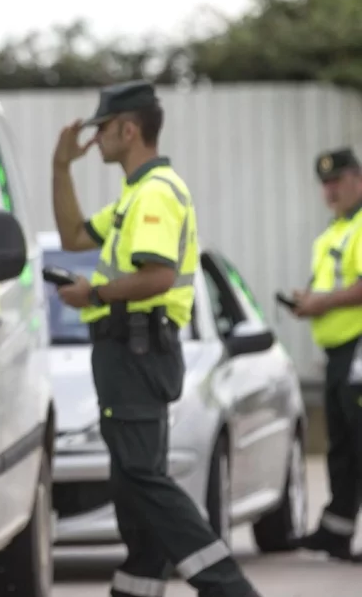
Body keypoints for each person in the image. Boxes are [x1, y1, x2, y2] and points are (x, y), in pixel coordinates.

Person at [51, 80, 261, 597]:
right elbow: (73, 236)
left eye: (103, 129)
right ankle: (137, 587)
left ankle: (228, 586)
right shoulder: (135, 194)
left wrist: (93, 294)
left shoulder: (155, 195)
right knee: (131, 483)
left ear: (130, 128)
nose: (95, 139)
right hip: (132, 351)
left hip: (138, 348)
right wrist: (61, 168)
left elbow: (157, 276)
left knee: (142, 478)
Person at [287, 148, 362, 562]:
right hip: (338, 354)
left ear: (358, 178)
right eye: (325, 184)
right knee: (342, 446)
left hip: (358, 351)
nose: (330, 190)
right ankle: (337, 531)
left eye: (338, 181)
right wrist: (309, 302)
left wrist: (322, 303)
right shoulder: (333, 233)